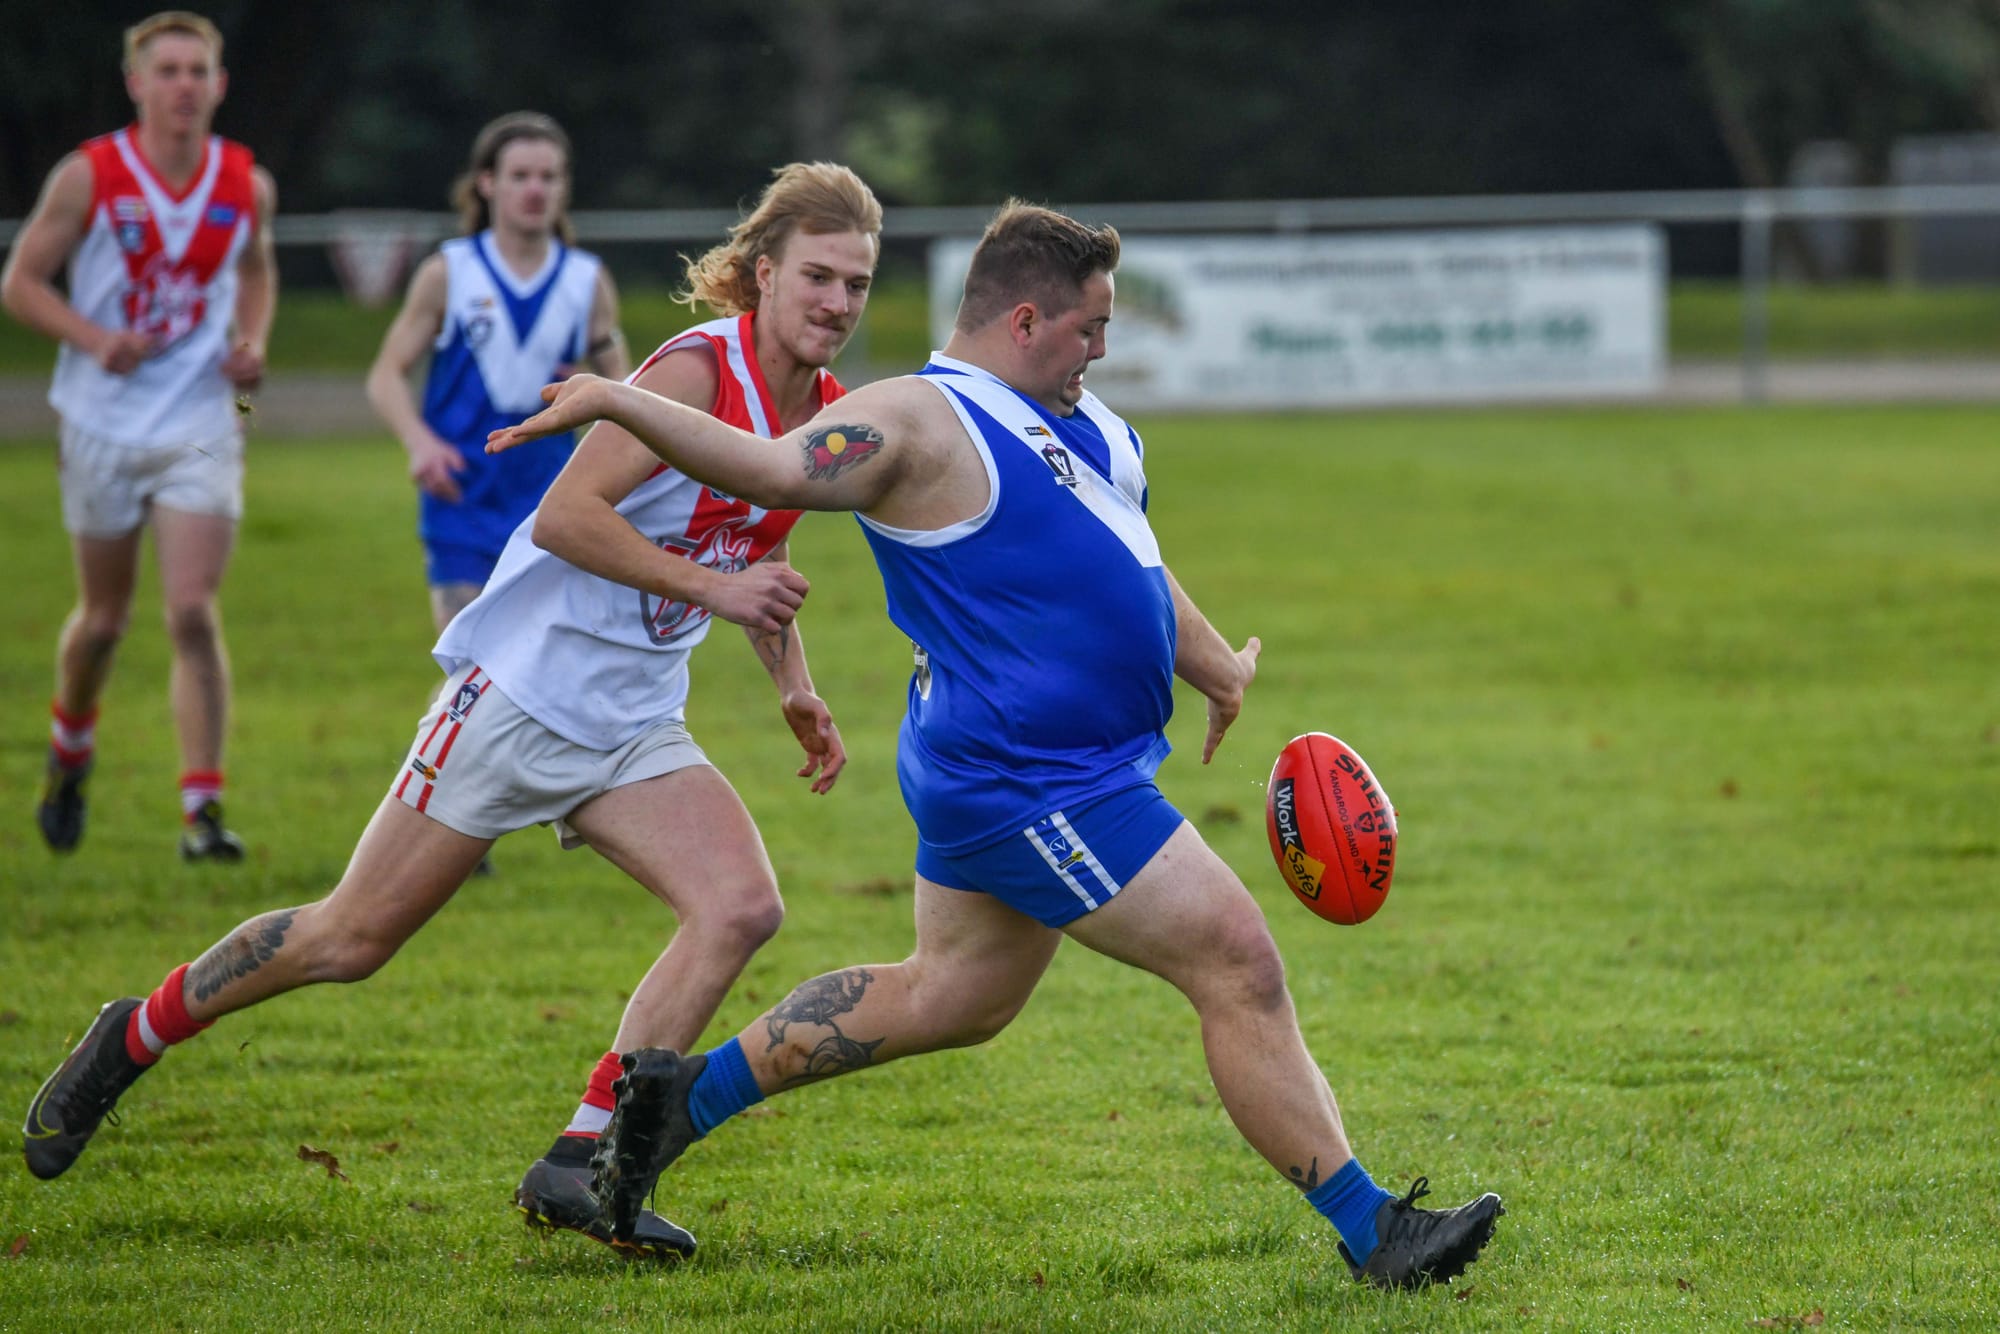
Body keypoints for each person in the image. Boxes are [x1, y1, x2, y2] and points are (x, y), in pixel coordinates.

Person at [483, 201, 1508, 1290]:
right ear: (1024, 321)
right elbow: (773, 470)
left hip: (1056, 765)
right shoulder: (913, 422)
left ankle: (678, 1103)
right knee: (1235, 958)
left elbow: (1128, 556)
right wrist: (619, 400)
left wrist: (1211, 662)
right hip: (1028, 778)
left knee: (953, 995)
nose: (1099, 348)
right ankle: (1374, 1234)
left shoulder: (1085, 420)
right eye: (1087, 328)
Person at [22, 163, 886, 1262]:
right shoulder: (693, 374)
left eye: (857, 283)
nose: (837, 302)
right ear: (761, 273)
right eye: (818, 276)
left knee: (739, 907)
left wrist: (792, 682)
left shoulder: (822, 407)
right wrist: (714, 593)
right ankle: (134, 1033)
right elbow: (567, 517)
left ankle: (577, 1162)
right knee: (349, 939)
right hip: (517, 697)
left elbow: (749, 551)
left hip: (630, 722)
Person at [0, 10, 277, 861]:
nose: (184, 86)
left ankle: (202, 812)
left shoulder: (246, 182)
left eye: (198, 71)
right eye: (168, 71)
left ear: (220, 85)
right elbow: (21, 283)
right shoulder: (89, 174)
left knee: (191, 610)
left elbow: (257, 270)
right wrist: (93, 339)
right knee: (104, 622)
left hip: (199, 419)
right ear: (137, 83)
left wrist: (252, 342)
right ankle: (70, 747)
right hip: (101, 421)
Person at [365, 112, 629, 640]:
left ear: (564, 187)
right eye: (520, 176)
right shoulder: (449, 272)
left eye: (548, 177)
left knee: (539, 664)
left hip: (553, 501)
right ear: (487, 183)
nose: (535, 190)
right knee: (467, 658)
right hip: (461, 497)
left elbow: (629, 393)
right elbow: (386, 375)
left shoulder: (587, 281)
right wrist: (420, 444)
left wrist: (597, 398)